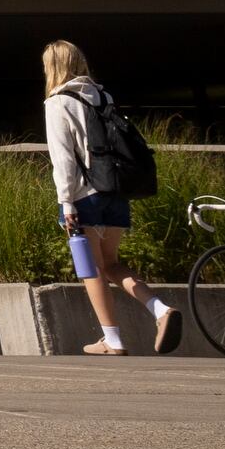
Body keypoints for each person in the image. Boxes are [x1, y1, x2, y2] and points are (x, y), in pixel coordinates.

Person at [44, 39, 182, 356]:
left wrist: (66, 203)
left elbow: (63, 159)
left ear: (52, 67)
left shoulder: (57, 103)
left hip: (82, 195)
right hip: (115, 192)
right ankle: (160, 309)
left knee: (90, 268)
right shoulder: (103, 96)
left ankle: (113, 340)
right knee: (112, 265)